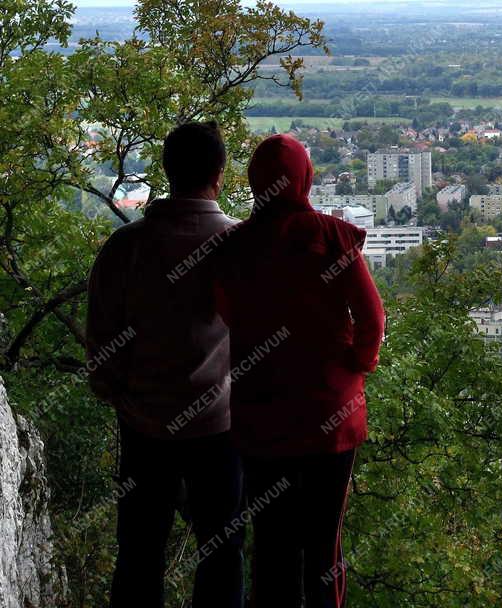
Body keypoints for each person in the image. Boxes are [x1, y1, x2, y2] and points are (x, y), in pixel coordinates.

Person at [214, 134, 385, 608]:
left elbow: (226, 312)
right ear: (305, 177)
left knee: (272, 541)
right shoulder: (332, 237)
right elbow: (372, 317)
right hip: (330, 411)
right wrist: (356, 365)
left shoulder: (233, 246)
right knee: (323, 542)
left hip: (261, 412)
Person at [86, 121, 244, 607]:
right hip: (220, 430)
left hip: (143, 428)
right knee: (221, 557)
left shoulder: (125, 248)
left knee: (138, 554)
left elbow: (101, 348)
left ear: (166, 170)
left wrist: (126, 399)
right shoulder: (240, 246)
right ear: (219, 173)